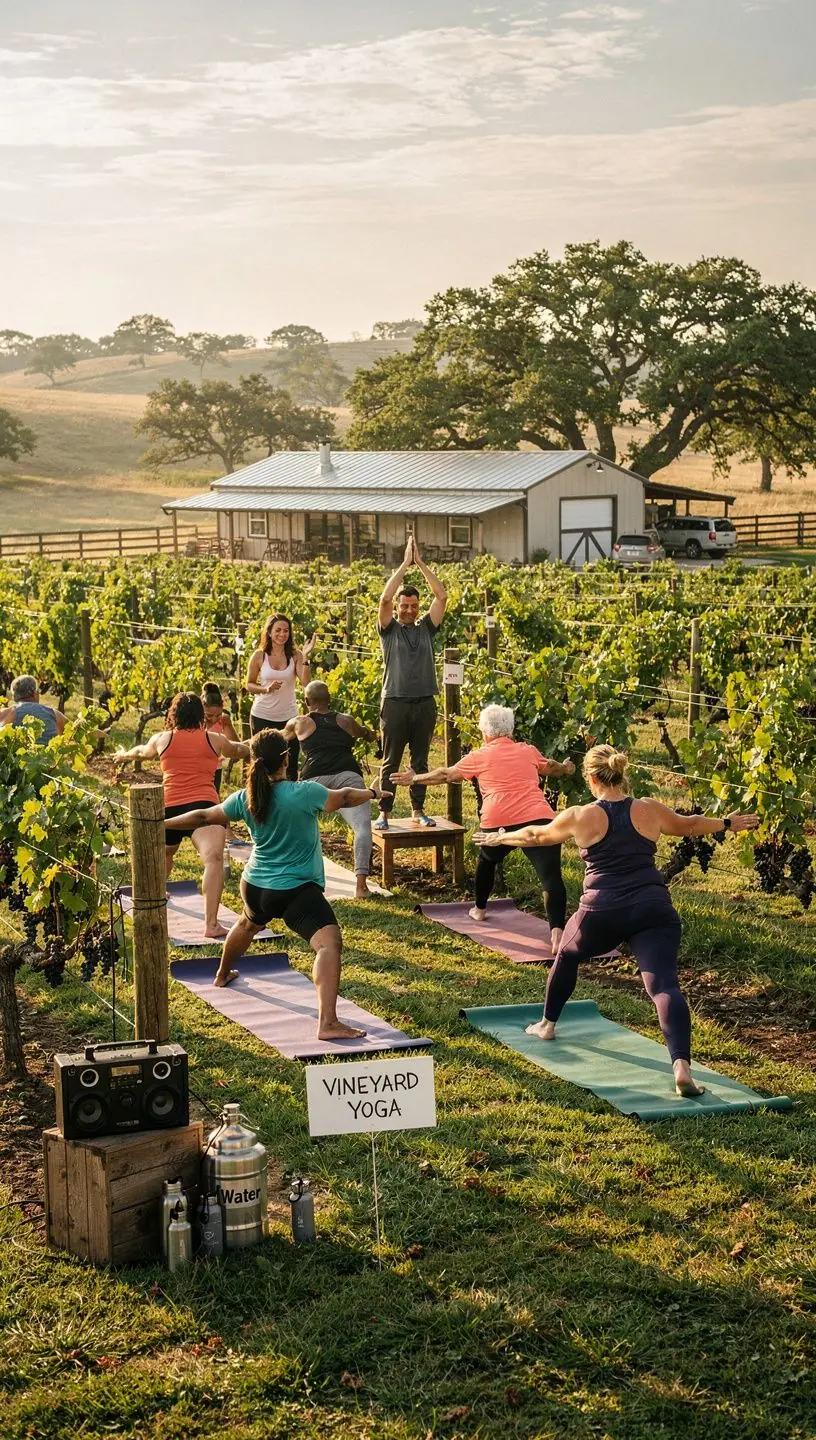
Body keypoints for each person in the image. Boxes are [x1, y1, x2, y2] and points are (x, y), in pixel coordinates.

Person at [474, 744, 759, 1098]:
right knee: (665, 987)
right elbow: (689, 825)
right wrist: (728, 823)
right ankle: (681, 1067)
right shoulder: (649, 809)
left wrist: (500, 837)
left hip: (601, 911)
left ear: (591, 778)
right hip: (653, 908)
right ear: (621, 774)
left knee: (567, 953)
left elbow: (535, 835)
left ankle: (547, 1025)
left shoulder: (580, 815)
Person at [163, 729, 382, 1041]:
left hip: (255, 886)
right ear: (286, 758)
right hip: (295, 890)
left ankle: (222, 974)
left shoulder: (245, 797)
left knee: (249, 923)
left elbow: (202, 816)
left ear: (255, 760)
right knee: (328, 944)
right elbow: (346, 797)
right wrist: (373, 794)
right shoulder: (304, 792)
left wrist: (161, 822)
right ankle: (328, 1023)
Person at [391, 704, 575, 950]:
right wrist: (567, 768)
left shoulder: (479, 755)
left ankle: (479, 909)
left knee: (487, 862)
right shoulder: (527, 751)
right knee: (551, 877)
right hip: (539, 819)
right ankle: (556, 934)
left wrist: (414, 778)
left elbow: (446, 775)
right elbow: (550, 766)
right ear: (509, 731)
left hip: (498, 823)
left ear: (485, 733)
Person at [113, 692, 249, 939]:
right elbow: (239, 750)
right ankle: (211, 924)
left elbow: (141, 752)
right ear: (200, 715)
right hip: (206, 808)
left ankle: (158, 893)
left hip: (170, 808)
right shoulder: (214, 739)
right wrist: (263, 740)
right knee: (213, 860)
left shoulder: (162, 739)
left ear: (173, 714)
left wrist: (124, 755)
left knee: (166, 852)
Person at [376, 536, 447, 831]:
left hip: (424, 702)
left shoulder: (426, 629)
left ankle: (418, 810)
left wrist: (421, 564)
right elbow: (384, 599)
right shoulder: (388, 629)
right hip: (394, 701)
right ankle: (385, 813)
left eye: (413, 605)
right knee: (391, 761)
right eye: (404, 605)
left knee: (420, 760)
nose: (408, 609)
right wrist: (405, 564)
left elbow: (441, 597)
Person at [284, 680, 379, 899]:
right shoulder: (346, 720)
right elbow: (364, 733)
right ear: (330, 700)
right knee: (362, 827)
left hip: (314, 779)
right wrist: (375, 734)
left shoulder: (300, 722)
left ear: (306, 701)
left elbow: (278, 738)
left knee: (298, 824)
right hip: (349, 775)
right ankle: (361, 887)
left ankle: (294, 878)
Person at [246, 614, 315, 780]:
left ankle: (288, 801)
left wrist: (305, 657)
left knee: (289, 763)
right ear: (269, 632)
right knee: (260, 761)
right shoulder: (259, 656)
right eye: (278, 630)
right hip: (262, 715)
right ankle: (259, 798)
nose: (282, 634)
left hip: (288, 717)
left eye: (286, 631)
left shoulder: (295, 655)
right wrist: (265, 689)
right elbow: (249, 684)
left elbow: (306, 683)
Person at [0, 675, 65, 743]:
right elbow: (72, 732)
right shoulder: (55, 714)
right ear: (35, 693)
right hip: (49, 753)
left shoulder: (6, 714)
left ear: (14, 696)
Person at [200, 682, 239, 794]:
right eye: (209, 715)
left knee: (213, 799)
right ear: (202, 708)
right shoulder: (195, 721)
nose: (213, 719)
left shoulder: (223, 721)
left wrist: (228, 725)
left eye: (218, 715)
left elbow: (235, 749)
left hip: (215, 768)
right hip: (197, 768)